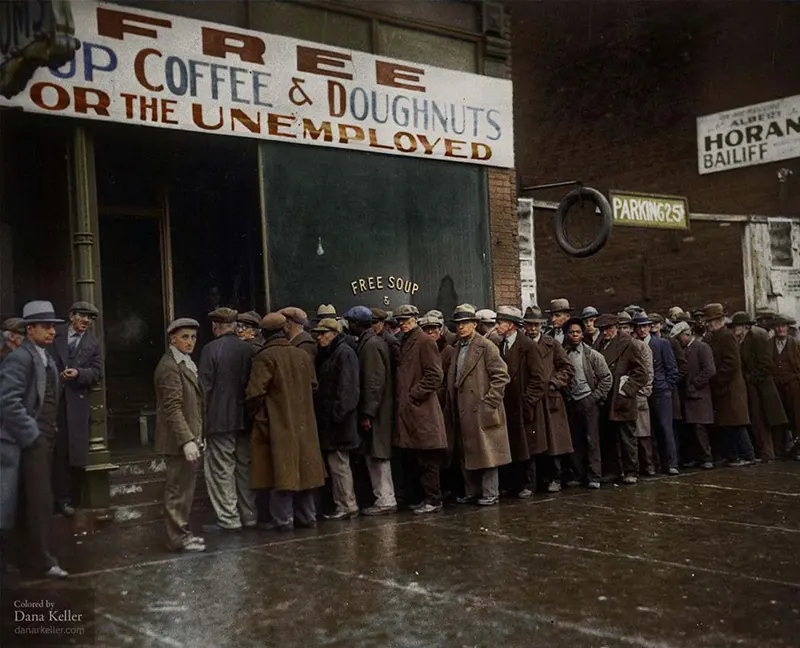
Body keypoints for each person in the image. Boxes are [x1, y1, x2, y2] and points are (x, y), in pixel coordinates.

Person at [0, 301, 69, 578]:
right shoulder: (20, 358)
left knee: (31, 501)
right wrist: (32, 434)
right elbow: (7, 401)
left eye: (53, 326)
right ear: (30, 330)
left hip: (41, 440)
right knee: (35, 501)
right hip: (22, 443)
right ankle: (42, 560)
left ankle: (26, 559)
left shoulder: (44, 356)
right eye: (46, 326)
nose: (52, 331)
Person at [246, 313, 326, 531]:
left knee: (280, 473)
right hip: (304, 424)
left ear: (265, 333)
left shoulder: (265, 357)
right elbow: (313, 386)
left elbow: (254, 394)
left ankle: (284, 520)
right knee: (305, 473)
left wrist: (260, 416)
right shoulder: (301, 355)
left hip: (277, 424)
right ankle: (308, 517)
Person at [198, 308, 258, 533]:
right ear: (234, 326)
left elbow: (204, 389)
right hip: (245, 419)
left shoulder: (210, 349)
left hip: (219, 419)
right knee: (244, 468)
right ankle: (250, 515)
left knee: (222, 470)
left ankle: (229, 518)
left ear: (215, 326)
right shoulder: (248, 349)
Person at [445, 304, 510, 506]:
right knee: (467, 451)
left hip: (481, 408)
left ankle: (490, 493)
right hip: (462, 407)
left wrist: (489, 402)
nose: (461, 327)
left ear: (474, 324)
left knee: (487, 452)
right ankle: (472, 491)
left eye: (465, 323)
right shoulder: (457, 348)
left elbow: (501, 376)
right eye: (458, 324)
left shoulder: (486, 346)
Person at [155, 318, 205, 553]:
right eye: (185, 337)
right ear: (172, 339)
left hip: (189, 437)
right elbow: (172, 408)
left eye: (193, 337)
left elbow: (194, 405)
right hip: (177, 441)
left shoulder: (184, 363)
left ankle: (183, 534)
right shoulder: (169, 367)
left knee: (185, 489)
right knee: (177, 489)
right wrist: (186, 440)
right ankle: (177, 537)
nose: (190, 341)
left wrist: (197, 435)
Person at [48, 301, 103, 517]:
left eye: (89, 318)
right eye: (82, 316)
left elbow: (98, 372)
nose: (86, 321)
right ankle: (54, 500)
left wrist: (79, 373)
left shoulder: (92, 343)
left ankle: (68, 500)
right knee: (54, 451)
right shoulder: (56, 333)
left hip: (76, 404)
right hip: (52, 400)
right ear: (72, 316)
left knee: (73, 452)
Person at [393, 304, 448, 515]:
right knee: (417, 458)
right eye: (400, 321)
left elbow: (435, 375)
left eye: (407, 320)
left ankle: (433, 500)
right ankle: (426, 498)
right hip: (413, 410)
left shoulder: (425, 341)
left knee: (428, 459)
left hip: (422, 410)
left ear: (416, 319)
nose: (403, 324)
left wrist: (414, 394)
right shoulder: (406, 340)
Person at [346, 307, 396, 516]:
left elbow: (374, 383)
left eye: (351, 322)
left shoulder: (371, 345)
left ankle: (385, 499)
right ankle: (383, 497)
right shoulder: (371, 342)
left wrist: (368, 413)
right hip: (376, 409)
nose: (349, 326)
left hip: (376, 411)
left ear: (358, 324)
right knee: (375, 453)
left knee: (378, 454)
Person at [313, 318, 361, 520]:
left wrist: (337, 415)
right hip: (335, 421)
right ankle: (343, 503)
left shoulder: (343, 353)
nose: (319, 337)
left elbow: (348, 389)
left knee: (339, 465)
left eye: (323, 333)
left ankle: (347, 505)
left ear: (334, 334)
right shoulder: (336, 352)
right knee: (337, 465)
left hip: (339, 422)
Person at [494, 306, 544, 498]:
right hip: (508, 404)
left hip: (523, 405)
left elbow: (539, 379)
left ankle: (529, 484)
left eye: (500, 323)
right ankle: (514, 483)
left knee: (527, 445)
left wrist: (527, 401)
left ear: (511, 325)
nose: (497, 326)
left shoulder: (528, 346)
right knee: (513, 444)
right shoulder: (501, 346)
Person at [596, 313, 649, 484]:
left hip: (622, 399)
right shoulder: (599, 344)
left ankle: (631, 471)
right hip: (606, 398)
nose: (605, 332)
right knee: (609, 437)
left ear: (616, 328)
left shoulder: (628, 344)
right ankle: (613, 470)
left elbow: (642, 373)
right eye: (602, 330)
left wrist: (626, 389)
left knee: (627, 437)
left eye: (609, 329)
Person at [528, 305, 575, 492]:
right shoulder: (522, 345)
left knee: (554, 441)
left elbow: (568, 368)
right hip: (532, 399)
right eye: (529, 324)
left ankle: (556, 478)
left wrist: (555, 383)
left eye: (536, 325)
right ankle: (535, 480)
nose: (532, 329)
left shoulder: (552, 344)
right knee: (535, 441)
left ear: (541, 325)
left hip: (550, 399)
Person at [703, 303, 756, 466]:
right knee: (727, 424)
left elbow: (731, 363)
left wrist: (718, 380)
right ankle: (733, 456)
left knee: (737, 423)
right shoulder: (714, 337)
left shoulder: (726, 336)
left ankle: (748, 455)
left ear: (719, 320)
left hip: (731, 388)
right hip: (724, 389)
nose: (709, 324)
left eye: (711, 321)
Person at [562, 317, 612, 489]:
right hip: (570, 401)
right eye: (571, 332)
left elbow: (606, 378)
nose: (574, 335)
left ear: (582, 334)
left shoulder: (592, 355)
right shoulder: (562, 354)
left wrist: (594, 397)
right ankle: (577, 475)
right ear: (566, 335)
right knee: (575, 440)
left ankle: (594, 477)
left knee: (592, 440)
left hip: (588, 401)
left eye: (577, 332)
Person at [730, 312, 787, 462]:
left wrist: (750, 378)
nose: (735, 329)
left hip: (761, 387)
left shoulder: (756, 337)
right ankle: (764, 453)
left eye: (737, 326)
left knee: (761, 420)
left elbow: (766, 364)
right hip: (753, 387)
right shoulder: (742, 339)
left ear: (745, 326)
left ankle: (767, 453)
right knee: (756, 420)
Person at [634, 314, 680, 475]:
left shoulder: (661, 344)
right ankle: (657, 464)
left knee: (665, 427)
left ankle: (672, 463)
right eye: (639, 327)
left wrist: (666, 386)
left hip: (661, 392)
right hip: (645, 393)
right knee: (649, 430)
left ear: (649, 327)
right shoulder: (636, 346)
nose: (642, 330)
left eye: (645, 326)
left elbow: (673, 369)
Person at [671, 322, 716, 469]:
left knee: (700, 428)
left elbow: (709, 370)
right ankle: (696, 457)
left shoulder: (702, 348)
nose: (679, 341)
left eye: (680, 337)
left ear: (687, 334)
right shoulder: (685, 349)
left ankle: (706, 457)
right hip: (688, 396)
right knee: (691, 429)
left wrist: (694, 384)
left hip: (699, 396)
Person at [771, 314, 800, 460]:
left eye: (783, 326)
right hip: (775, 388)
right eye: (777, 326)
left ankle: (798, 449)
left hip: (793, 387)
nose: (780, 328)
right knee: (778, 418)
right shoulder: (769, 344)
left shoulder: (796, 344)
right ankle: (780, 449)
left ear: (788, 328)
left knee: (796, 417)